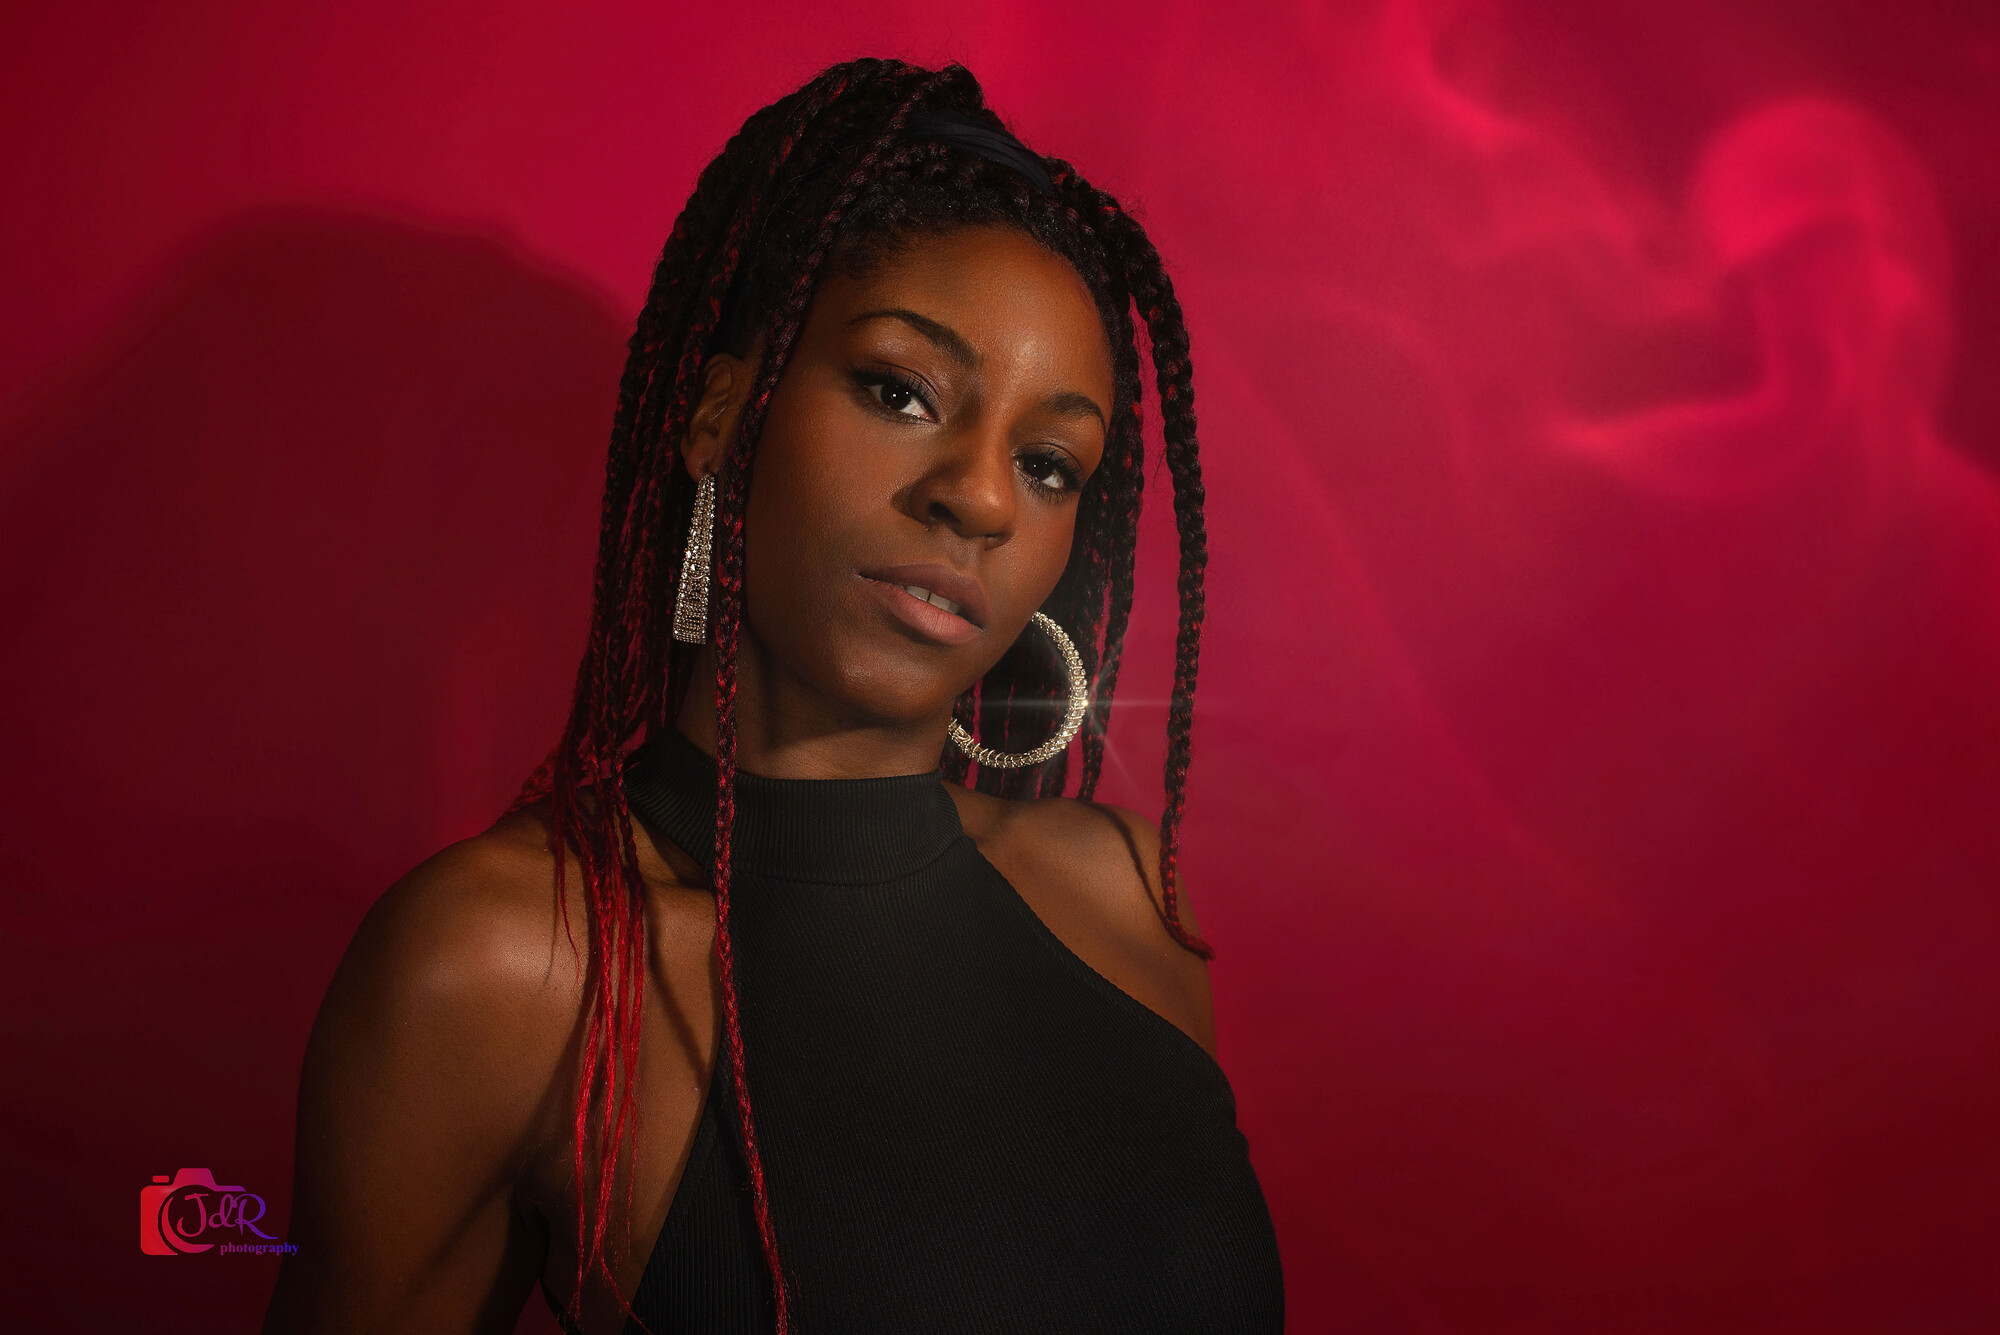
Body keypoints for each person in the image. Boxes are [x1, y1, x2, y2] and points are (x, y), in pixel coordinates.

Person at [263, 57, 1284, 1335]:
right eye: (899, 391)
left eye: (1046, 463)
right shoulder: (517, 971)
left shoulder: (1124, 897)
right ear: (719, 416)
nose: (978, 497)